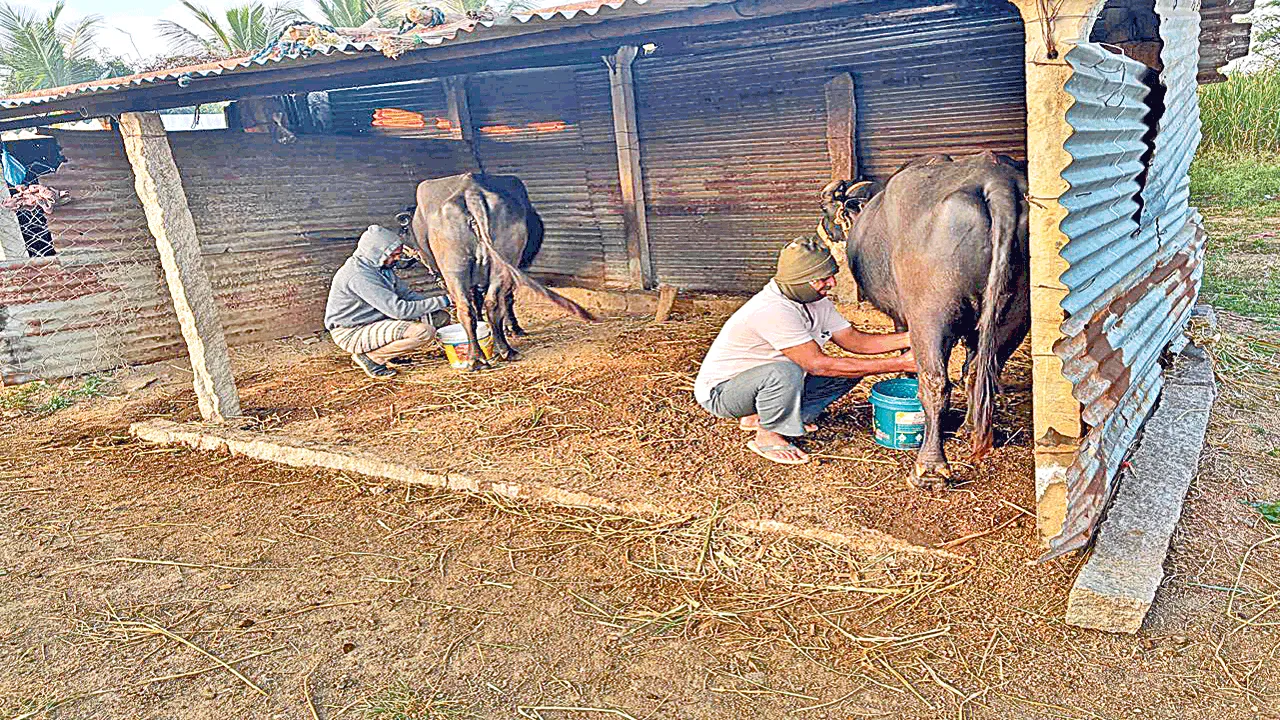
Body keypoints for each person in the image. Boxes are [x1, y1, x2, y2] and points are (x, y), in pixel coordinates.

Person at [694, 236, 914, 465]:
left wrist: (913, 339)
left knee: (848, 370)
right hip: (722, 393)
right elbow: (816, 364)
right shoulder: (772, 309)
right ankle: (767, 435)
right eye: (822, 279)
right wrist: (899, 363)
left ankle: (774, 417)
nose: (832, 283)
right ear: (798, 281)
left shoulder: (815, 301)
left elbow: (855, 341)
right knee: (785, 372)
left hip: (764, 385)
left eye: (831, 275)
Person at [324, 224, 453, 379]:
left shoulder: (382, 269)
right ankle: (372, 358)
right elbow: (400, 311)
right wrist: (446, 299)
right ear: (377, 253)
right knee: (424, 332)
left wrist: (446, 300)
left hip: (375, 321)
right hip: (352, 331)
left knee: (439, 317)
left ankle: (389, 351)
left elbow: (408, 296)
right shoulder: (359, 276)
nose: (397, 258)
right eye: (393, 255)